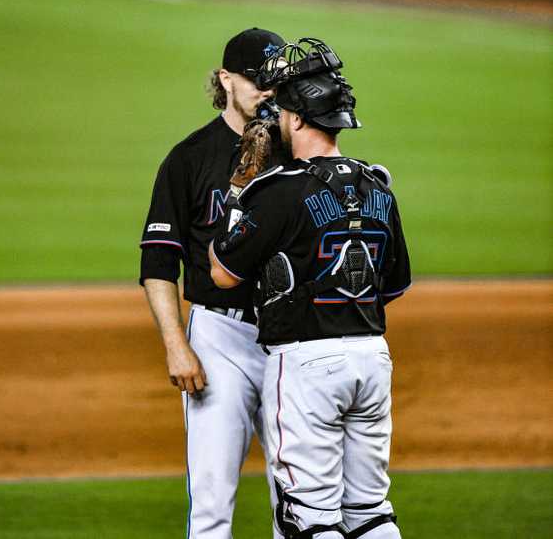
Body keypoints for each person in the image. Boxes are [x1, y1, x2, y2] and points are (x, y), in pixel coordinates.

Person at [209, 38, 411, 539]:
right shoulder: (378, 186)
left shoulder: (278, 192)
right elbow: (395, 283)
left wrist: (240, 187)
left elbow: (222, 272)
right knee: (370, 512)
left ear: (297, 120)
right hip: (372, 357)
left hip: (306, 366)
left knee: (309, 517)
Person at [140, 27, 286, 539]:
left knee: (298, 503)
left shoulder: (299, 152)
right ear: (225, 79)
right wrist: (176, 345)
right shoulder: (189, 158)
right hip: (218, 340)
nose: (268, 90)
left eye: (276, 81)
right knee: (210, 504)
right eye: (256, 80)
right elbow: (159, 263)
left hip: (292, 337)